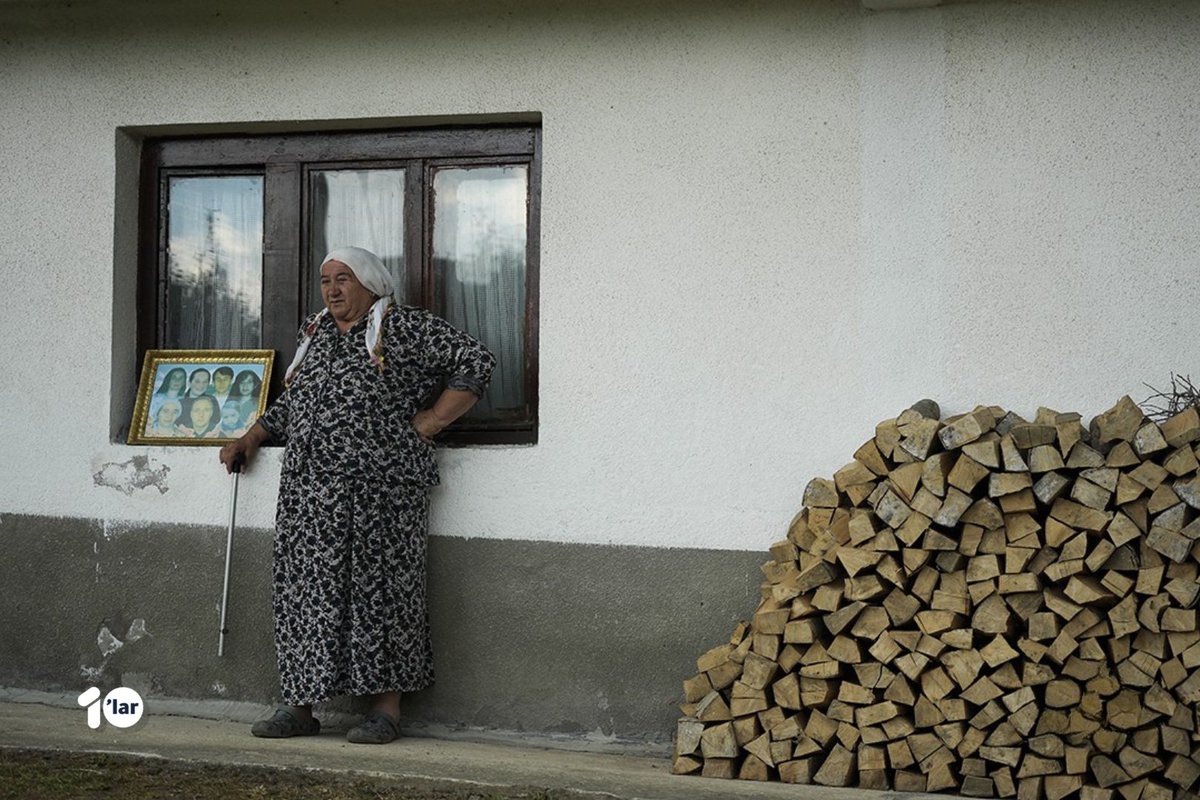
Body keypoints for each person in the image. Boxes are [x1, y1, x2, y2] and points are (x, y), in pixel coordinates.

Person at [219, 246, 494, 745]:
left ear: (370, 281)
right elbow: (295, 401)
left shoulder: (403, 327)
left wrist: (431, 420)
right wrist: (252, 436)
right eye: (326, 280)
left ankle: (385, 712)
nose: (333, 289)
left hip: (381, 493)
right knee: (304, 594)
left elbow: (476, 360)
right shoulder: (316, 331)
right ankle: (299, 708)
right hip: (308, 493)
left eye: (343, 278)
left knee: (383, 595)